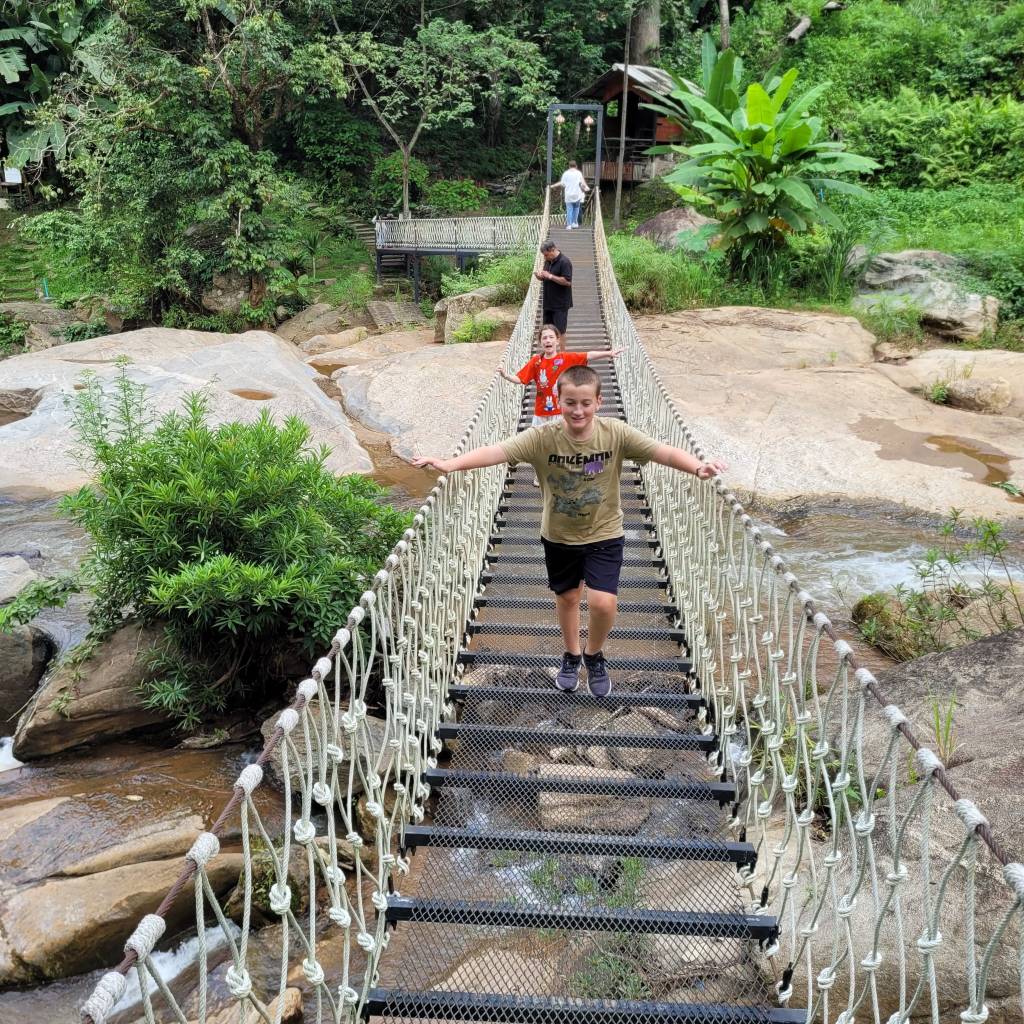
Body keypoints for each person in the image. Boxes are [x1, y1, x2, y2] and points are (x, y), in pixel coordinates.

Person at [413, 364, 726, 698]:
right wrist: (450, 464)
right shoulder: (542, 437)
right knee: (568, 597)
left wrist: (697, 467)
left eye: (586, 403)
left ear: (599, 402)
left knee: (603, 603)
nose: (578, 410)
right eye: (571, 403)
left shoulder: (615, 433)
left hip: (605, 532)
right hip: (559, 536)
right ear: (558, 400)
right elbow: (497, 451)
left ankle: (594, 654)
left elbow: (662, 451)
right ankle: (572, 654)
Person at [499, 323, 623, 484]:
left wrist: (609, 353)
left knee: (564, 443)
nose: (548, 340)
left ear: (558, 341)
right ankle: (540, 474)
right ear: (540, 342)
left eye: (551, 337)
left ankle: (570, 471)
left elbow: (587, 356)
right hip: (540, 412)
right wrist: (506, 376)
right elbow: (521, 378)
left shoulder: (565, 359)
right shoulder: (536, 362)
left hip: (560, 411)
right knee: (538, 444)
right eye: (544, 338)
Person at [536, 240, 572, 339]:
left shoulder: (565, 262)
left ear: (552, 250)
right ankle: (550, 349)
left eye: (546, 255)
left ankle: (562, 349)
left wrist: (550, 276)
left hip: (560, 304)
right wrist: (540, 276)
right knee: (547, 330)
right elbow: (546, 276)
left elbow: (567, 282)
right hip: (548, 303)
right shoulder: (548, 261)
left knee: (560, 331)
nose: (545, 257)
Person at [553, 161, 590, 229]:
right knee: (576, 209)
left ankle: (569, 225)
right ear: (576, 166)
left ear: (569, 166)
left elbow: (562, 183)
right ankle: (574, 223)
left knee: (569, 210)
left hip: (568, 195)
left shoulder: (566, 173)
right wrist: (586, 187)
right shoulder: (578, 173)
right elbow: (582, 182)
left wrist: (553, 186)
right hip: (577, 195)